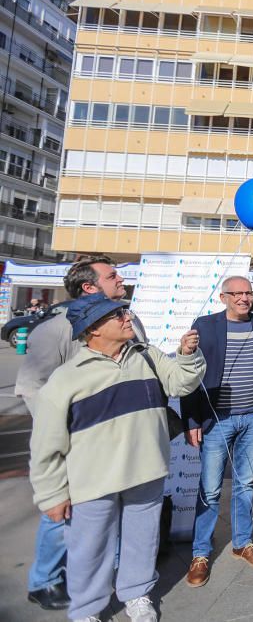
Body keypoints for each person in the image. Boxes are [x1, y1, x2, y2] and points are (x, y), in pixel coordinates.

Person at [29, 293, 205, 622]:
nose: (127, 317)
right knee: (89, 550)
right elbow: (45, 446)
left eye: (124, 311)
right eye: (116, 315)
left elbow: (182, 382)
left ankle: (137, 594)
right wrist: (51, 494)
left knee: (142, 541)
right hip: (93, 481)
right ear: (93, 329)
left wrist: (186, 354)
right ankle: (86, 610)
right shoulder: (66, 379)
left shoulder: (148, 356)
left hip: (147, 472)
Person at [15, 255, 147, 612]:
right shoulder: (57, 327)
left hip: (121, 440)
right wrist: (62, 427)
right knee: (62, 511)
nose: (120, 278)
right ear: (90, 287)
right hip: (77, 443)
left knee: (110, 512)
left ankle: (109, 578)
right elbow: (30, 385)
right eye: (112, 275)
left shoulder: (128, 320)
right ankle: (44, 581)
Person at [181, 277, 253, 587]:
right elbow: (191, 374)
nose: (244, 298)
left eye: (248, 293)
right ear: (223, 297)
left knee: (245, 484)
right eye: (238, 294)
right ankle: (200, 553)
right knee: (211, 489)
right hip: (217, 420)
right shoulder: (205, 324)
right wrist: (191, 421)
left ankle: (242, 543)